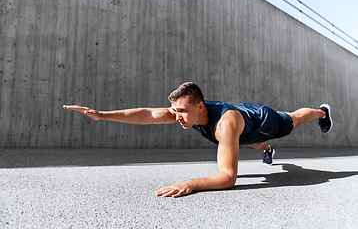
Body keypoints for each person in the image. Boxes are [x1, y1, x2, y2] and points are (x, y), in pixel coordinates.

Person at [63, 82, 332, 198]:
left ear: (200, 106)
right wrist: (101, 115)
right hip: (245, 128)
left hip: (262, 121)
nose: (176, 116)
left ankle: (322, 112)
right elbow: (146, 114)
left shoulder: (224, 125)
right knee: (250, 143)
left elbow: (227, 177)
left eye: (181, 111)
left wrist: (191, 183)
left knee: (294, 118)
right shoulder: (188, 113)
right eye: (175, 110)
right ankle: (268, 150)